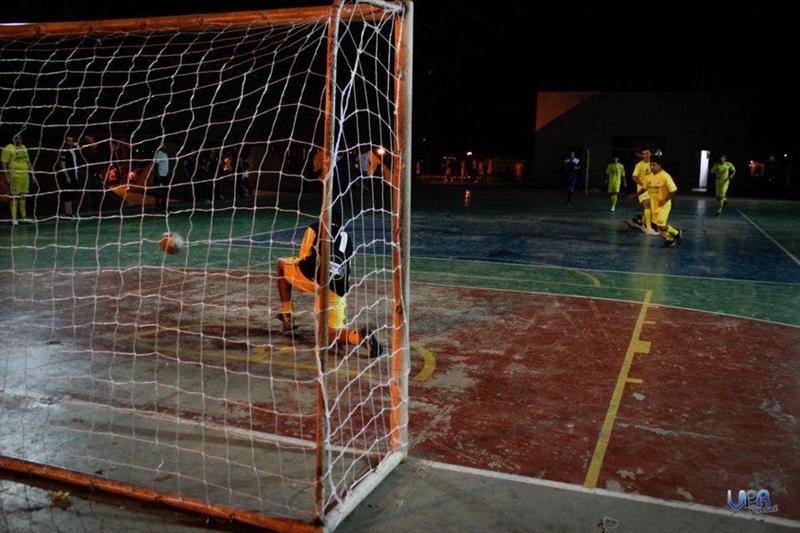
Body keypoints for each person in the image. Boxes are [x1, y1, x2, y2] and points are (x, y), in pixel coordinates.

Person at [274, 206, 382, 357]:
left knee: (281, 264)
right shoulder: (346, 237)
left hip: (312, 278)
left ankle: (287, 315)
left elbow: (304, 258)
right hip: (337, 287)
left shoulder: (314, 228)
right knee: (331, 334)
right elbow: (347, 266)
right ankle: (359, 337)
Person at [646, 152, 683, 247]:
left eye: (654, 165)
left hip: (664, 205)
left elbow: (673, 190)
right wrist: (636, 195)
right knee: (656, 226)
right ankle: (669, 239)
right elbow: (645, 187)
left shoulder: (665, 176)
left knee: (661, 225)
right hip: (654, 205)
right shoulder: (650, 176)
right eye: (651, 165)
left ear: (659, 165)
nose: (652, 167)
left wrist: (665, 200)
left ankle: (676, 232)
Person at [1, 134, 35, 225]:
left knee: (23, 196)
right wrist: (7, 176)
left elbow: (28, 162)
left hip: (25, 176)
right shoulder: (9, 148)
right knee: (14, 196)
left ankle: (23, 218)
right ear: (12, 139)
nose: (18, 140)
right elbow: (4, 163)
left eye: (20, 138)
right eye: (16, 138)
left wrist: (33, 175)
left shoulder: (24, 147)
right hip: (14, 176)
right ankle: (14, 218)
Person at [631, 147, 658, 235]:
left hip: (652, 189)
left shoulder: (653, 164)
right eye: (644, 154)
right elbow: (634, 177)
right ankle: (648, 229)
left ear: (650, 154)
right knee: (646, 204)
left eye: (647, 153)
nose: (645, 155)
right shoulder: (639, 165)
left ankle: (641, 222)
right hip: (642, 188)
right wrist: (642, 184)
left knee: (652, 208)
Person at [57, 135, 83, 218]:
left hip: (74, 174)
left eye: (71, 141)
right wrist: (67, 176)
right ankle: (67, 213)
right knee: (67, 194)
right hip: (67, 175)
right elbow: (62, 164)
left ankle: (71, 213)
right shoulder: (64, 150)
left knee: (72, 194)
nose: (70, 142)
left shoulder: (74, 150)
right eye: (68, 141)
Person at [153, 145, 170, 212]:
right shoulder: (159, 154)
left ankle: (163, 206)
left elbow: (165, 165)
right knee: (159, 192)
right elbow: (156, 165)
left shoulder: (165, 154)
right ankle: (158, 206)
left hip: (165, 176)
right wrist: (157, 176)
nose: (166, 147)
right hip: (160, 176)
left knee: (164, 192)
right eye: (164, 146)